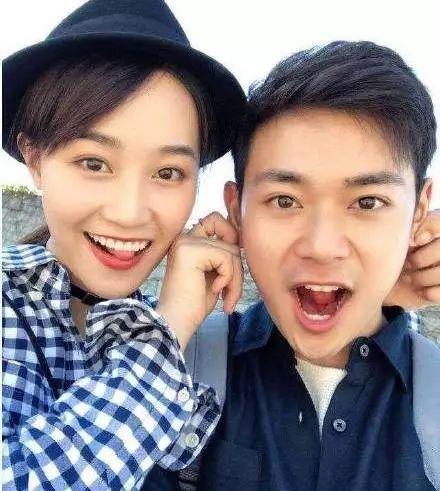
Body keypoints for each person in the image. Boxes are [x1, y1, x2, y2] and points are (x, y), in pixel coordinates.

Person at [146, 41, 440, 490]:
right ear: (237, 211)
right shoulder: (174, 373)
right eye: (285, 201)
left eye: (367, 202)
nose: (321, 247)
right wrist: (167, 333)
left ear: (418, 211)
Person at [2, 0, 246, 489]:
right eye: (94, 163)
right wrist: (171, 326)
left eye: (168, 173)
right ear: (34, 159)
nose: (130, 213)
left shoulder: (188, 338)